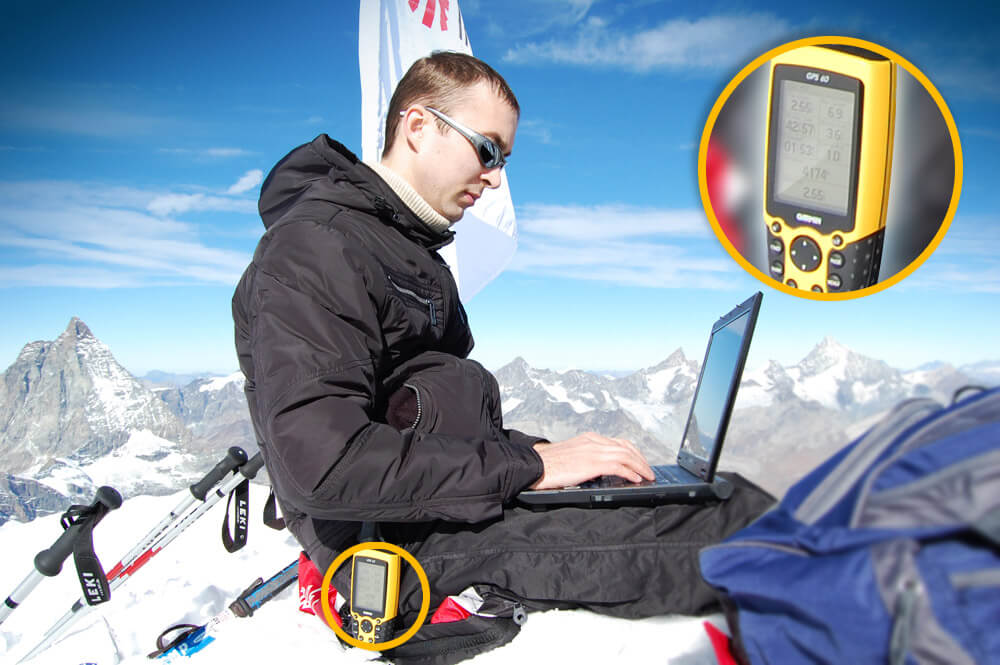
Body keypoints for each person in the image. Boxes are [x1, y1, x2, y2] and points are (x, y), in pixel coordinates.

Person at [233, 52, 772, 630]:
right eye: (487, 150)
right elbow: (326, 467)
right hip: (394, 546)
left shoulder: (405, 251)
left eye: (503, 160)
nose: (495, 178)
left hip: (436, 514)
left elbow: (429, 422)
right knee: (739, 531)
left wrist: (549, 455)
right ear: (418, 127)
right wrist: (529, 465)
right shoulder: (316, 247)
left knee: (722, 496)